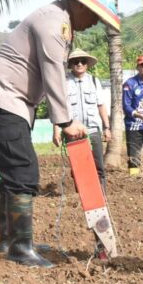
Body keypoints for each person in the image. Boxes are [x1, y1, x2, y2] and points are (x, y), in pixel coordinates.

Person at [0, 0, 118, 267]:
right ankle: (19, 248)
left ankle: (11, 241)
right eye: (94, 15)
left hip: (4, 101)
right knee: (23, 170)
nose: (94, 23)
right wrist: (65, 121)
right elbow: (53, 74)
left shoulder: (59, 20)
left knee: (11, 170)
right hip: (0, 99)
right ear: (79, 4)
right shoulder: (54, 25)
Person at [53, 48, 109, 195]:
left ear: (87, 64)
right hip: (73, 131)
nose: (79, 64)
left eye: (82, 61)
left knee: (98, 166)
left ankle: (101, 196)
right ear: (70, 64)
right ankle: (83, 197)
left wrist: (107, 127)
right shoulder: (63, 83)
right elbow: (59, 108)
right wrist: (56, 130)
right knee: (79, 168)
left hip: (93, 129)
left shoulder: (94, 81)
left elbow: (101, 105)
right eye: (75, 61)